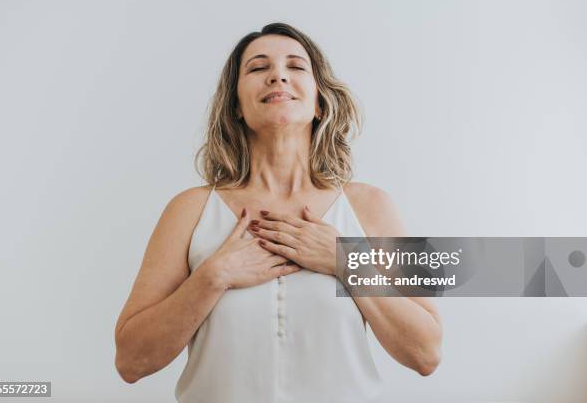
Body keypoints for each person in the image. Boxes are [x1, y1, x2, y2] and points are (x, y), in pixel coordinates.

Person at [114, 22, 443, 402]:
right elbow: (131, 361)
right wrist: (213, 276)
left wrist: (347, 261)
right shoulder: (189, 210)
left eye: (296, 66)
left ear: (319, 101)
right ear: (236, 105)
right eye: (257, 68)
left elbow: (426, 353)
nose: (278, 75)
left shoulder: (372, 207)